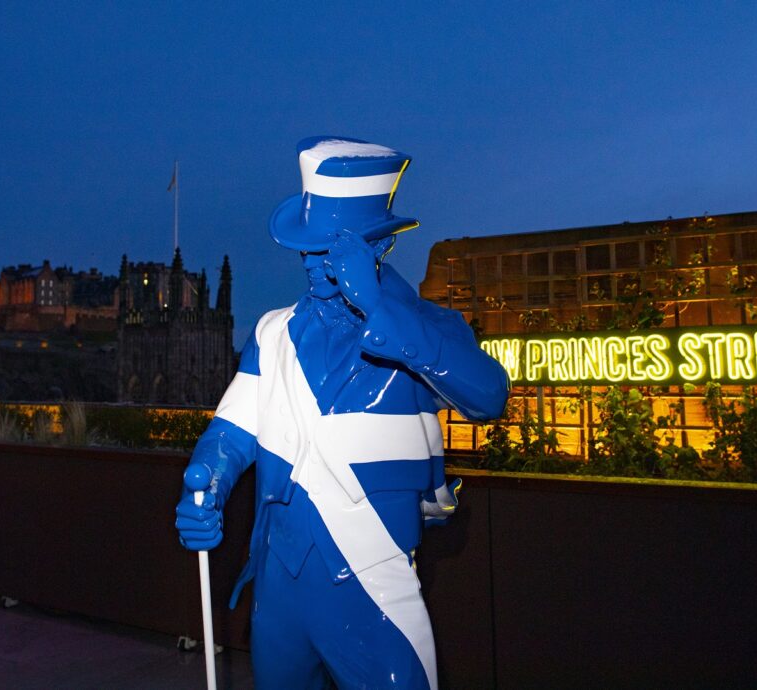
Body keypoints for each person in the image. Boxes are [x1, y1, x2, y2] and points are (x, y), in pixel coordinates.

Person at [175, 136, 509, 689]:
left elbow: (488, 395)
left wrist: (376, 304)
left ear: (378, 247)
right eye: (306, 248)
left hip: (374, 580)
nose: (311, 262)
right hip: (278, 586)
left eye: (330, 248)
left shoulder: (423, 331)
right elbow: (233, 431)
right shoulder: (273, 333)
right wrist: (206, 480)